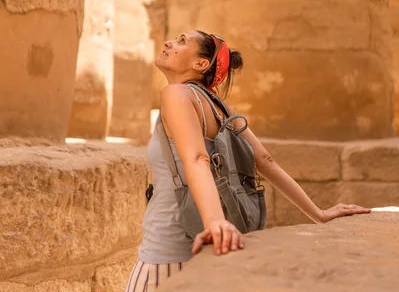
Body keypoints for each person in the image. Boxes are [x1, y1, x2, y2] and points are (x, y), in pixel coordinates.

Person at [125, 30, 370, 291]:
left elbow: (197, 158)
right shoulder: (221, 107)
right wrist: (319, 214)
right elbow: (265, 161)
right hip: (212, 255)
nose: (169, 43)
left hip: (166, 255)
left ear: (201, 64)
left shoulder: (176, 94)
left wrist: (214, 223)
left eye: (182, 41)